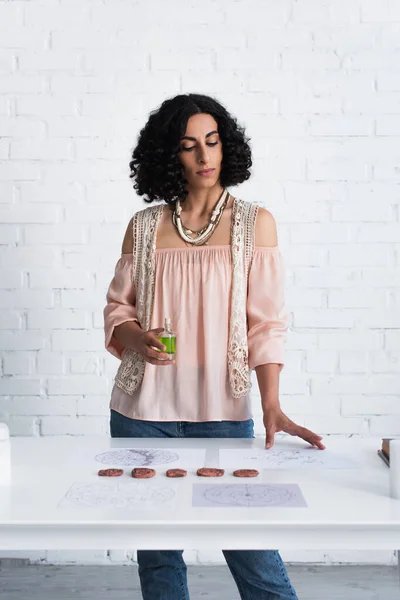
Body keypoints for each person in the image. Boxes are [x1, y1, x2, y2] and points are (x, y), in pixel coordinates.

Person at [103, 93, 325, 600]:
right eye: (188, 146)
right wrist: (137, 336)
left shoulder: (254, 223)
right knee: (158, 558)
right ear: (169, 156)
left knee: (253, 554)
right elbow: (117, 312)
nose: (204, 157)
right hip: (141, 413)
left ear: (227, 146)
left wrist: (271, 404)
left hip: (223, 412)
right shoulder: (143, 227)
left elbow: (266, 324)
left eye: (212, 142)